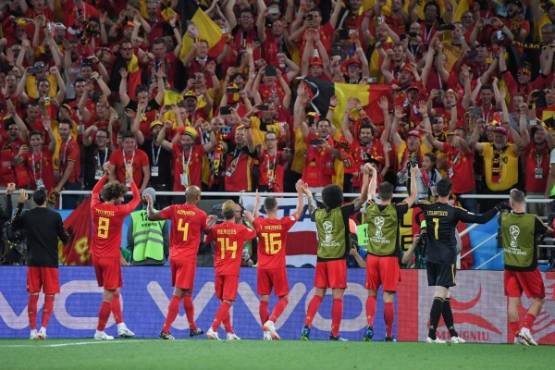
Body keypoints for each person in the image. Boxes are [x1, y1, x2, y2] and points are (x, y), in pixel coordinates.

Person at [418, 178, 502, 344]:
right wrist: (497, 208)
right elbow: (481, 219)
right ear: (450, 192)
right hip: (446, 258)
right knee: (440, 294)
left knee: (445, 295)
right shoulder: (454, 211)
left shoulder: (427, 208)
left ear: (436, 192)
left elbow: (414, 201)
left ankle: (453, 334)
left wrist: (414, 177)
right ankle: (432, 335)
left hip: (431, 257)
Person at [300, 163, 372, 341]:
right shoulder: (342, 212)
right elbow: (362, 199)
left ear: (324, 199)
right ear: (340, 199)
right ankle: (334, 334)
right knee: (337, 297)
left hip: (322, 260)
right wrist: (365, 177)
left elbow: (311, 207)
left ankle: (306, 328)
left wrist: (307, 193)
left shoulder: (318, 214)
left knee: (318, 294)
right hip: (337, 261)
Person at [363, 165, 417, 342]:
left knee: (371, 294)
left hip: (372, 258)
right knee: (388, 297)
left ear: (380, 193)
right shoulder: (396, 209)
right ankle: (388, 334)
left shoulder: (370, 207)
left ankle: (369, 327)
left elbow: (370, 193)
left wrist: (375, 173)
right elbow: (413, 197)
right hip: (389, 259)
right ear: (392, 195)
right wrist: (413, 175)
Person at [146, 185, 207, 340]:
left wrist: (149, 204)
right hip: (187, 258)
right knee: (179, 293)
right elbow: (207, 233)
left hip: (174, 256)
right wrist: (212, 223)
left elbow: (152, 216)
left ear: (186, 197)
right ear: (198, 198)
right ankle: (165, 330)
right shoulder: (201, 215)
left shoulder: (174, 209)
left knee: (187, 292)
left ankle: (193, 327)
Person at [247, 181, 304, 340]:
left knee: (264, 299)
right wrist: (299, 192)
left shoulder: (260, 223)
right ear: (276, 207)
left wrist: (256, 203)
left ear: (265, 209)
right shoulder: (282, 223)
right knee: (284, 299)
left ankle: (266, 333)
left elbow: (254, 218)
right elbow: (299, 212)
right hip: (277, 267)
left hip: (262, 267)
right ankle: (271, 322)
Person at [90, 163, 140, 340]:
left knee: (115, 291)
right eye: (121, 196)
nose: (123, 198)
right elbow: (136, 200)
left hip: (96, 256)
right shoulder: (119, 211)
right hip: (110, 258)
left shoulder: (95, 207)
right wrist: (131, 181)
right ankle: (100, 331)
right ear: (117, 196)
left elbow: (94, 193)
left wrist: (105, 175)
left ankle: (121, 326)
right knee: (109, 294)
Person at [12, 187, 68, 340]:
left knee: (33, 296)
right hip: (50, 262)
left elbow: (13, 225)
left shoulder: (27, 216)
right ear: (46, 199)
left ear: (33, 200)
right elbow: (65, 239)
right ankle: (43, 329)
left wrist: (20, 204)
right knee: (49, 296)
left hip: (33, 261)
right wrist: (69, 234)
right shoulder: (55, 216)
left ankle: (32, 330)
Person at [499, 189, 552, 346]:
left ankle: (516, 336)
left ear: (511, 202)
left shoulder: (504, 218)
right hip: (527, 266)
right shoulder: (532, 220)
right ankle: (525, 329)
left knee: (513, 301)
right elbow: (549, 232)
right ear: (525, 201)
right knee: (539, 298)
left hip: (509, 266)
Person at [205, 200, 257, 341]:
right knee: (228, 301)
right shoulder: (240, 229)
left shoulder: (216, 229)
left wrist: (209, 224)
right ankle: (213, 328)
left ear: (223, 213)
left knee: (223, 301)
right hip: (231, 270)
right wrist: (252, 218)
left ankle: (229, 332)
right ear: (234, 213)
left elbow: (206, 239)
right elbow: (254, 233)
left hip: (218, 269)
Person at [127, 187, 168, 266]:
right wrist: (165, 256)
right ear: (154, 200)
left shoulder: (134, 216)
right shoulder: (162, 215)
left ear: (142, 199)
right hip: (157, 258)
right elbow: (166, 241)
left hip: (138, 258)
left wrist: (131, 257)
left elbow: (130, 240)